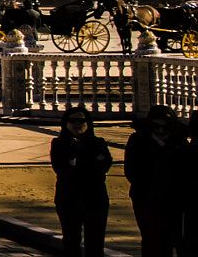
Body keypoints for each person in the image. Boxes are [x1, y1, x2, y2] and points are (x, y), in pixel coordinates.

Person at [124, 105, 187, 257]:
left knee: (171, 239)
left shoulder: (179, 142)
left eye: (164, 127)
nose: (160, 130)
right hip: (145, 197)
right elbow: (131, 170)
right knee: (151, 239)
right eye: (156, 126)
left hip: (173, 200)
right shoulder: (138, 140)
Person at [51, 105, 112, 257]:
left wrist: (76, 163)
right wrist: (92, 162)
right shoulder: (58, 144)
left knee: (95, 242)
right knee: (71, 241)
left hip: (95, 199)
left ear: (88, 123)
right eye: (72, 121)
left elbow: (105, 165)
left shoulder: (99, 143)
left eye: (81, 121)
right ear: (65, 123)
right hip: (68, 199)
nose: (77, 124)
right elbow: (61, 168)